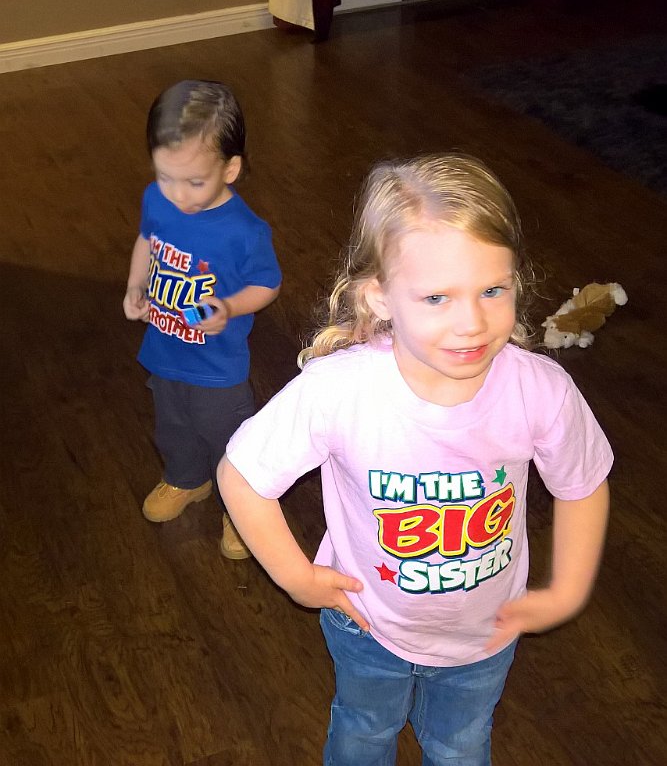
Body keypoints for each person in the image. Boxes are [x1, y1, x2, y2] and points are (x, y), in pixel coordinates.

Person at [217, 153, 612, 764]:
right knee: (364, 732)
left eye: (492, 290)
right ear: (379, 298)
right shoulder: (339, 391)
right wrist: (296, 577)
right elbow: (242, 475)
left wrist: (568, 590)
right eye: (436, 297)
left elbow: (582, 483)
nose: (471, 322)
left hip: (486, 633)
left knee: (460, 744)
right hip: (367, 625)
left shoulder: (540, 390)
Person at [123, 79, 281, 559]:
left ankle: (239, 507)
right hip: (165, 349)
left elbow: (267, 284)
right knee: (172, 423)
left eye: (194, 182)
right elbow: (147, 240)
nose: (177, 194)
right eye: (165, 176)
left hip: (217, 367)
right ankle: (187, 478)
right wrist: (136, 285)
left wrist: (230, 307)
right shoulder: (158, 200)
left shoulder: (244, 231)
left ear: (230, 168)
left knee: (225, 436)